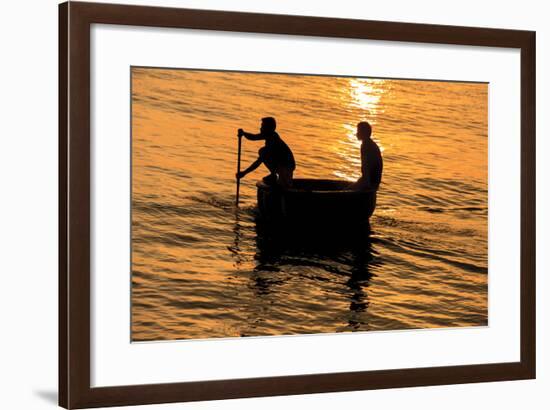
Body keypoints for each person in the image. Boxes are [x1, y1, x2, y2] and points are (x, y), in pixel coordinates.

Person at [236, 117, 296, 188]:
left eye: (263, 126)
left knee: (283, 187)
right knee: (262, 151)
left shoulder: (272, 138)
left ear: (269, 128)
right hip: (281, 165)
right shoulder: (270, 136)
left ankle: (276, 179)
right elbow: (254, 137)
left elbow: (258, 161)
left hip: (286, 166)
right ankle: (273, 175)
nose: (260, 128)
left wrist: (244, 173)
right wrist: (243, 133)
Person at [350, 121, 383, 191]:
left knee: (346, 191)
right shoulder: (370, 144)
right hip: (373, 180)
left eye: (358, 131)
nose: (356, 134)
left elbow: (366, 166)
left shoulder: (366, 146)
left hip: (370, 182)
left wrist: (367, 185)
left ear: (364, 133)